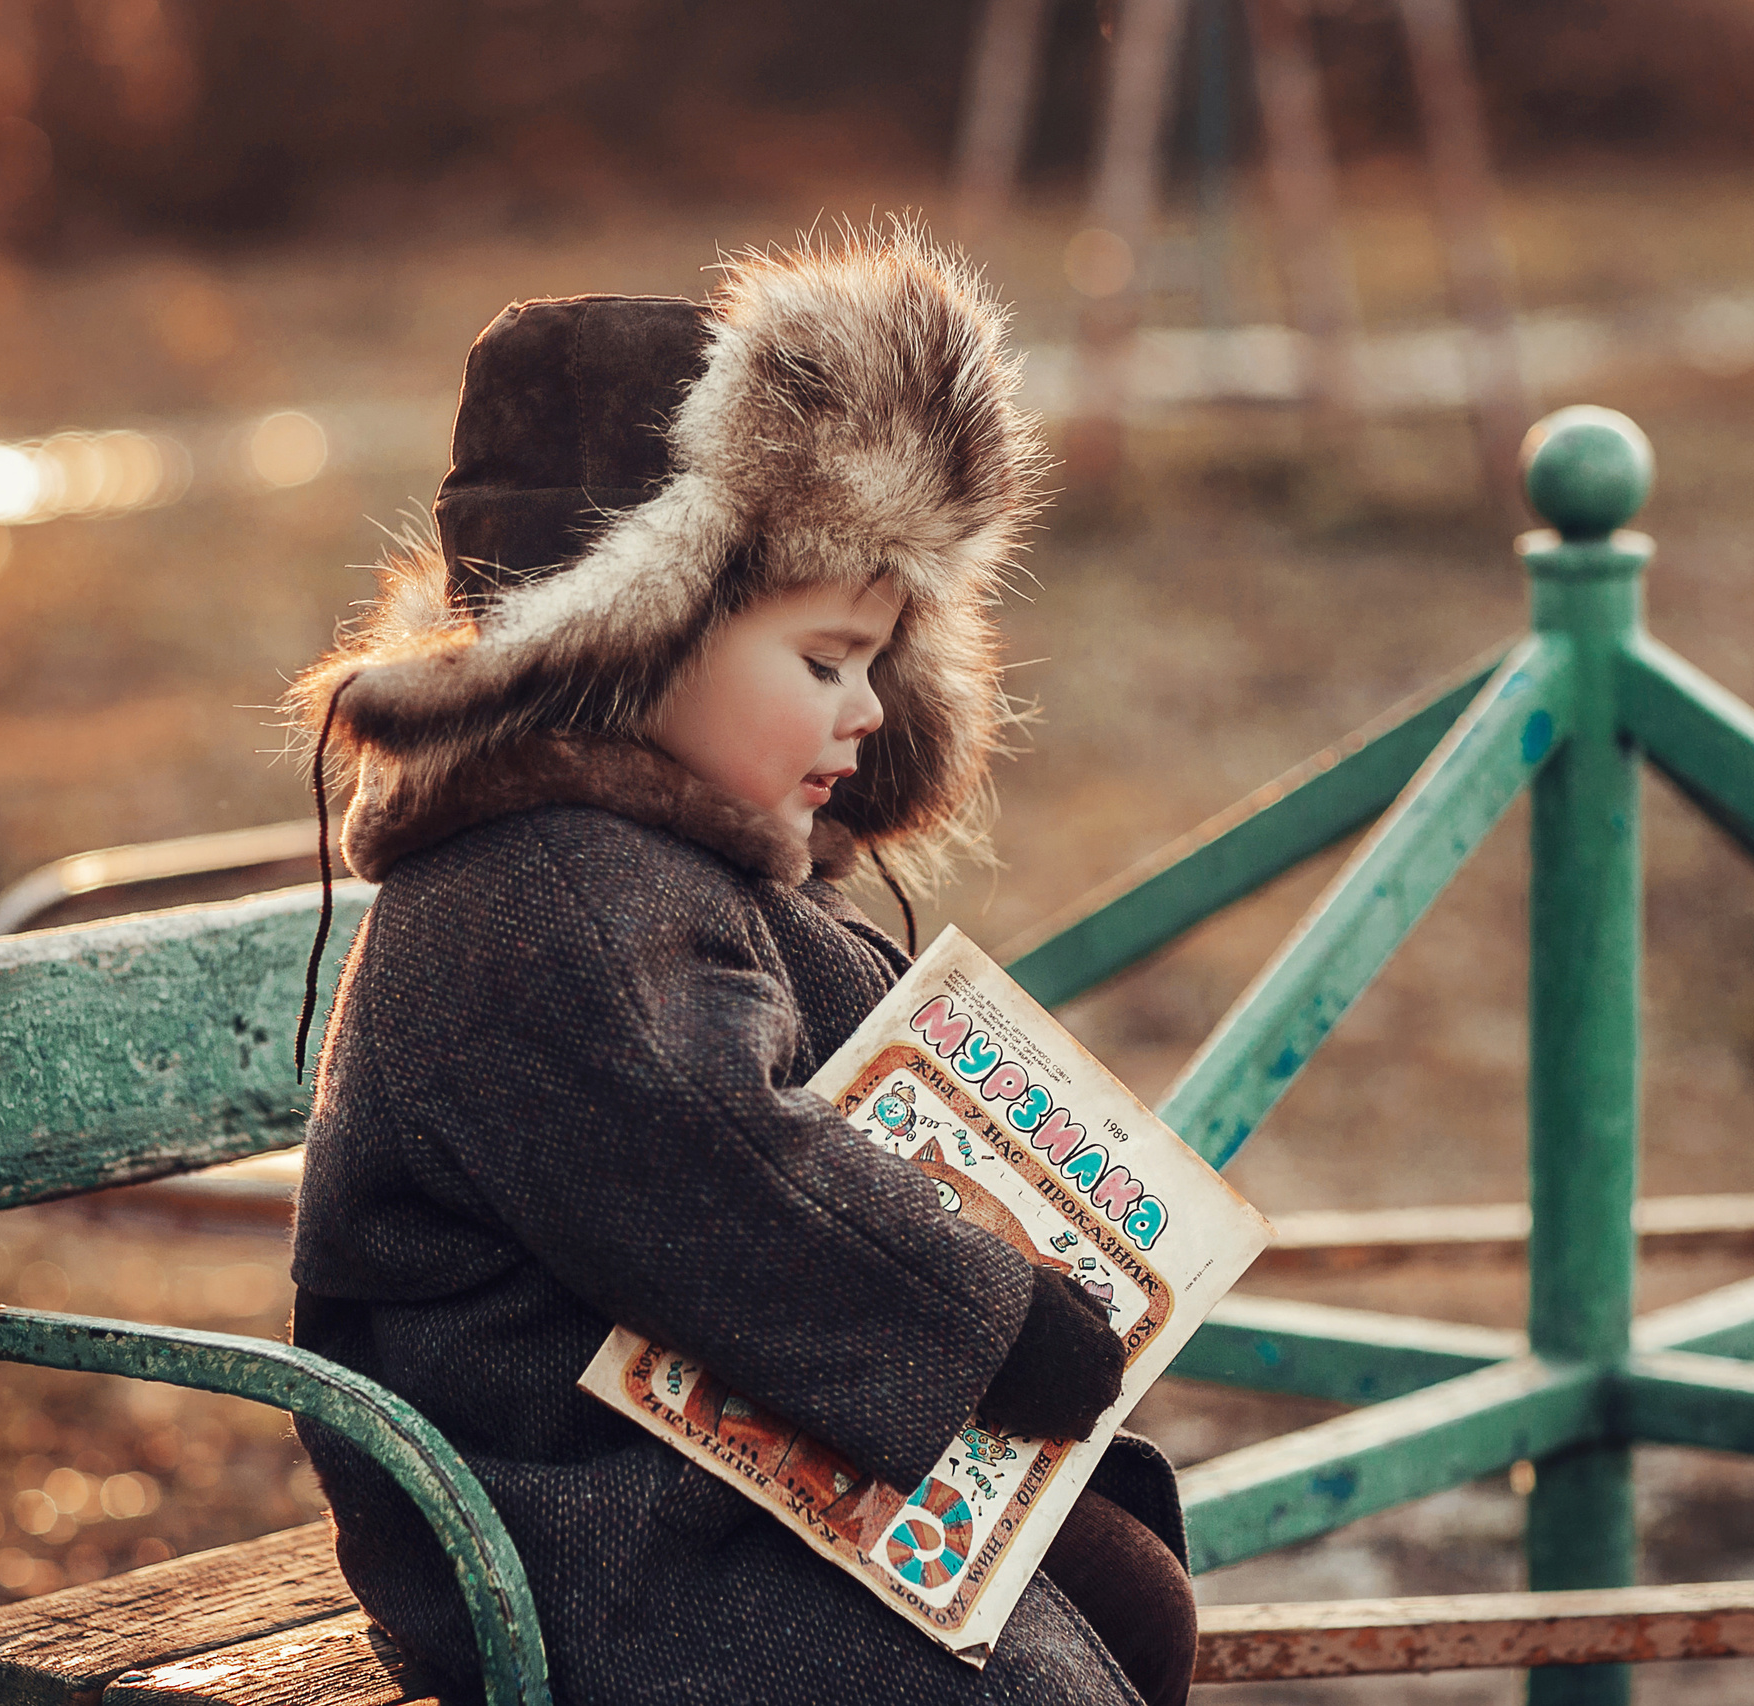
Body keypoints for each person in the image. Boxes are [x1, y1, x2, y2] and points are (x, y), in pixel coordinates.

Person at [286, 225, 1197, 1706]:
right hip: (565, 1516)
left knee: (1119, 1593)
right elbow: (722, 1173)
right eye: (827, 659)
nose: (861, 712)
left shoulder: (661, 852)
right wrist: (990, 1316)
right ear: (628, 639)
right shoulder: (547, 897)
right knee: (1029, 1692)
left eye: (883, 665)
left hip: (703, 1454)